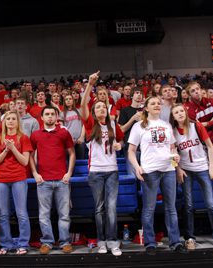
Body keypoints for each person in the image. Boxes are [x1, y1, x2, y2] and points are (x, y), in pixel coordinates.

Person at [128, 96, 187, 255]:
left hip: (168, 170)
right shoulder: (139, 126)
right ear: (146, 108)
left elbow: (173, 149)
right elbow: (131, 151)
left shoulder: (166, 125)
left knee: (171, 208)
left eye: (158, 103)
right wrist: (137, 167)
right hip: (149, 171)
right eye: (152, 103)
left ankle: (175, 242)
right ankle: (150, 243)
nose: (156, 105)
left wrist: (176, 163)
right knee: (149, 209)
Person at [170, 104, 213, 250]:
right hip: (186, 170)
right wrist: (177, 169)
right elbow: (171, 154)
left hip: (202, 167)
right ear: (173, 116)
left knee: (210, 203)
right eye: (176, 112)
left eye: (181, 111)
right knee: (188, 205)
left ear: (186, 112)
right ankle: (189, 237)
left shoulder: (196, 126)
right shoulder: (172, 132)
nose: (179, 114)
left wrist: (211, 167)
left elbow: (210, 146)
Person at [81, 71, 124, 256]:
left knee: (112, 207)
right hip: (96, 172)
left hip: (112, 171)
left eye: (103, 108)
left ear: (107, 110)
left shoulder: (113, 125)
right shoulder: (90, 124)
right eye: (97, 107)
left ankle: (113, 240)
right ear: (93, 111)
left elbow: (121, 142)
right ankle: (102, 241)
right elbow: (83, 105)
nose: (101, 110)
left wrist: (119, 145)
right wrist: (90, 85)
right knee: (99, 208)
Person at [29, 106, 75, 255]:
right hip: (43, 181)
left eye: (52, 114)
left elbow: (72, 154)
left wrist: (69, 173)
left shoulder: (63, 132)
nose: (49, 117)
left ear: (56, 117)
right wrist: (35, 173)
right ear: (41, 118)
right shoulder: (36, 135)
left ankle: (65, 242)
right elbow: (30, 155)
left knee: (64, 214)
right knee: (44, 214)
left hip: (62, 180)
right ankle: (47, 242)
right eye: (47, 114)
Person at [0, 111, 32, 255]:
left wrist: (13, 148)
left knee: (21, 213)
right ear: (4, 122)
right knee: (3, 214)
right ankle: (6, 244)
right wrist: (5, 150)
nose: (10, 121)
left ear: (17, 122)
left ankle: (23, 244)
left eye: (13, 119)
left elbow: (25, 161)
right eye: (8, 119)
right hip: (2, 179)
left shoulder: (24, 138)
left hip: (18, 178)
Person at [184, 81, 213, 201]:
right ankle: (205, 202)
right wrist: (211, 121)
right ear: (189, 94)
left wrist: (204, 124)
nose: (196, 92)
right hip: (201, 146)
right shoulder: (188, 109)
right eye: (193, 91)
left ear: (201, 89)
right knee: (204, 177)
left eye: (198, 89)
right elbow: (195, 128)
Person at [118, 87, 144, 175]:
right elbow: (121, 130)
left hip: (145, 147)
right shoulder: (125, 110)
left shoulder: (146, 110)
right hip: (131, 147)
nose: (139, 95)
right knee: (133, 176)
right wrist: (132, 119)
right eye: (137, 93)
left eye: (141, 93)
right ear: (132, 96)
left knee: (146, 176)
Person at [59, 94, 85, 159]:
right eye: (66, 99)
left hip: (79, 140)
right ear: (64, 102)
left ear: (73, 101)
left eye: (70, 99)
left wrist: (81, 137)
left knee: (80, 160)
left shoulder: (79, 111)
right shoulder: (62, 114)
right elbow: (62, 128)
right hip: (68, 141)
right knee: (68, 161)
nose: (68, 101)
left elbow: (84, 125)